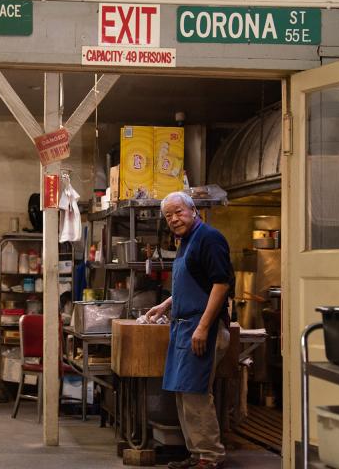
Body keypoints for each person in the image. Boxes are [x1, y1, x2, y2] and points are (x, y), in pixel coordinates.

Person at [146, 191, 234, 469]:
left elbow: (221, 285)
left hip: (201, 329)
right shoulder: (186, 241)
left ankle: (210, 455)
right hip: (184, 327)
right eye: (168, 215)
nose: (174, 219)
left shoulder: (210, 238)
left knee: (196, 394)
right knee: (185, 393)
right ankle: (197, 454)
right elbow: (196, 282)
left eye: (178, 212)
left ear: (193, 210)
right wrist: (166, 305)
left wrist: (204, 328)